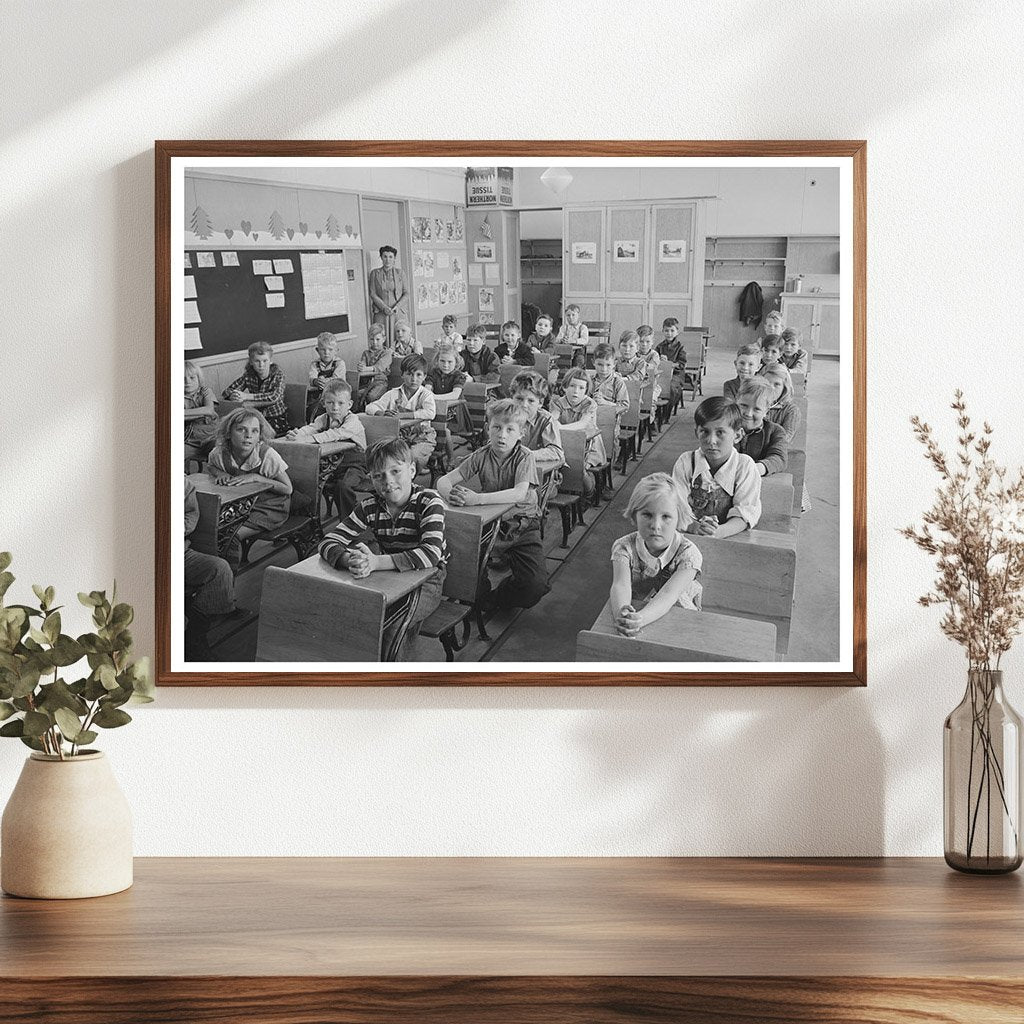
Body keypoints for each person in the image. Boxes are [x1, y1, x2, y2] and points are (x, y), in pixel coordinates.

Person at [318, 438, 447, 661]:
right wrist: (350, 560)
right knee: (351, 616)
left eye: (395, 471)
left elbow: (431, 554)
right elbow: (328, 541)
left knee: (391, 623)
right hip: (389, 577)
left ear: (412, 470)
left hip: (428, 582)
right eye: (378, 476)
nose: (388, 482)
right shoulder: (369, 507)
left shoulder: (428, 501)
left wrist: (376, 562)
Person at [437, 399, 549, 611]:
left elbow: (519, 493)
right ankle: (479, 601)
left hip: (523, 525)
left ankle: (498, 598)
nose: (502, 435)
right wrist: (452, 495)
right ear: (488, 428)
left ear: (521, 433)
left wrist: (476, 499)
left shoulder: (524, 456)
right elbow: (443, 481)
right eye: (497, 427)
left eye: (510, 429)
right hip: (491, 525)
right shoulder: (481, 455)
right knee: (466, 565)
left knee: (535, 586)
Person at [610, 473, 703, 637]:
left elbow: (669, 595)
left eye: (666, 516)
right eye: (647, 515)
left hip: (679, 619)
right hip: (638, 613)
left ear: (679, 518)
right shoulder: (624, 548)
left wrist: (640, 619)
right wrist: (623, 613)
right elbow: (620, 585)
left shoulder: (688, 555)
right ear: (634, 515)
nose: (655, 525)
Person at [207, 408, 293, 563]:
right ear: (228, 432)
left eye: (255, 431)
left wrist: (256, 477)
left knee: (229, 535)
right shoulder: (219, 453)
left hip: (269, 508)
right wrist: (220, 474)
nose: (248, 436)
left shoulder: (266, 455)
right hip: (238, 505)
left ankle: (228, 579)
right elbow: (211, 466)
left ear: (260, 435)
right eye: (241, 430)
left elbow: (287, 488)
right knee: (207, 528)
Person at [671, 396, 760, 537]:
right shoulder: (686, 462)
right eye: (705, 432)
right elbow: (676, 508)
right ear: (696, 433)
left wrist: (715, 533)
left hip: (729, 538)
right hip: (689, 535)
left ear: (737, 435)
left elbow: (745, 514)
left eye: (720, 433)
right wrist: (694, 527)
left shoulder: (744, 466)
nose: (711, 441)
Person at [286, 378, 367, 519]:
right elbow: (311, 428)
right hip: (333, 463)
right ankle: (307, 521)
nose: (335, 407)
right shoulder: (323, 418)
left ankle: (349, 522)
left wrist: (308, 439)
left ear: (349, 404)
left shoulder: (353, 421)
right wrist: (296, 434)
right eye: (330, 403)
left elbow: (336, 433)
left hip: (356, 464)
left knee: (343, 487)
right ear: (323, 403)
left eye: (340, 403)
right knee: (305, 480)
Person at [184, 475, 237, 658]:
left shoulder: (181, 482)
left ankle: (194, 636)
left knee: (219, 569)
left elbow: (190, 515)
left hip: (177, 552)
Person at [365, 354, 437, 473]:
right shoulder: (393, 393)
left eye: (418, 375)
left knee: (413, 456)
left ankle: (411, 479)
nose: (413, 379)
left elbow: (430, 413)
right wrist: (381, 413)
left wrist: (402, 415)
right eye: (409, 374)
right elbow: (370, 407)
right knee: (387, 457)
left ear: (424, 377)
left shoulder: (425, 394)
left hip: (423, 436)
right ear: (402, 374)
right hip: (399, 438)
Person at [550, 368, 605, 498]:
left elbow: (582, 424)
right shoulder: (558, 402)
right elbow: (553, 418)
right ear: (564, 387)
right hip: (566, 443)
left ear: (586, 391)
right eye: (572, 386)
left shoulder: (589, 404)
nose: (576, 391)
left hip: (589, 446)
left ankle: (590, 493)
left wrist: (559, 428)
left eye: (581, 388)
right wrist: (554, 423)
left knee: (579, 468)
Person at [221, 341, 288, 436]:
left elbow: (274, 397)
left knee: (258, 435)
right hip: (254, 417)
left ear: (270, 361)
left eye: (265, 361)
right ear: (251, 362)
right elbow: (226, 392)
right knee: (237, 433)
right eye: (257, 361)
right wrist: (234, 395)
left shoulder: (278, 375)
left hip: (275, 418)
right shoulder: (249, 375)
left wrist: (247, 396)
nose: (261, 365)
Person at [510, 371, 564, 468]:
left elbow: (556, 452)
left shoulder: (546, 420)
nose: (524, 405)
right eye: (519, 399)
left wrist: (526, 455)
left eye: (531, 401)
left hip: (539, 470)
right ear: (512, 397)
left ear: (540, 403)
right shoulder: (506, 416)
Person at [735, 377, 788, 476]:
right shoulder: (725, 426)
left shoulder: (775, 431)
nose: (748, 414)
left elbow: (779, 458)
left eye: (757, 409)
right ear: (736, 401)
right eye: (744, 405)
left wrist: (755, 468)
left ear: (766, 411)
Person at [426, 343, 473, 435]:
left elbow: (455, 395)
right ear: (437, 361)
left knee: (444, 430)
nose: (445, 365)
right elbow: (427, 390)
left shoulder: (458, 376)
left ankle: (446, 448)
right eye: (442, 361)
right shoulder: (433, 373)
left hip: (455, 413)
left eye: (450, 362)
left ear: (456, 362)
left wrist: (433, 397)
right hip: (437, 409)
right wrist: (429, 395)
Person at [368, 244, 408, 346]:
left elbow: (406, 293)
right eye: (385, 256)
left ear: (394, 258)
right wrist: (384, 307)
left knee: (399, 337)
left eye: (390, 257)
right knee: (380, 338)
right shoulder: (374, 273)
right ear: (381, 257)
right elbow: (372, 293)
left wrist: (397, 306)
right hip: (381, 312)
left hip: (397, 312)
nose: (387, 260)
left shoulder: (400, 273)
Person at [306, 332, 347, 422]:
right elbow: (311, 378)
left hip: (338, 395)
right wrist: (316, 381)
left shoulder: (339, 363)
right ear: (317, 350)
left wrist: (324, 381)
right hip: (320, 395)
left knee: (323, 409)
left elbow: (337, 379)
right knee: (310, 409)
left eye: (330, 350)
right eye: (322, 350)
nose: (326, 353)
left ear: (336, 350)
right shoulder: (315, 364)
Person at [184, 361, 217, 465]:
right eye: (182, 379)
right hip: (190, 441)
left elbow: (209, 410)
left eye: (192, 378)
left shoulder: (205, 391)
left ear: (199, 379)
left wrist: (185, 413)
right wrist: (203, 413)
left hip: (211, 437)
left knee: (220, 453)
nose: (187, 382)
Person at [355, 324, 394, 410]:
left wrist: (366, 369)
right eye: (372, 339)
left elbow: (379, 367)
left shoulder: (386, 353)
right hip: (366, 382)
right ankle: (361, 413)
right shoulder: (366, 353)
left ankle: (374, 412)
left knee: (372, 396)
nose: (375, 342)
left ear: (384, 339)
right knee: (356, 394)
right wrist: (361, 366)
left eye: (378, 339)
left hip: (380, 381)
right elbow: (363, 365)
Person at [760, 363, 800, 442]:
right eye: (767, 382)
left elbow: (784, 440)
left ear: (784, 388)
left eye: (777, 384)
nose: (771, 387)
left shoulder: (791, 410)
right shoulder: (752, 403)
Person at [656, 317, 687, 410]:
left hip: (676, 374)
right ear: (663, 331)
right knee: (654, 385)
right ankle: (656, 410)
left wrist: (669, 364)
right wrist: (659, 360)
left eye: (672, 330)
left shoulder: (681, 347)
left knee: (671, 387)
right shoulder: (660, 346)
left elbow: (682, 364)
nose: (669, 333)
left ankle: (667, 412)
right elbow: (654, 360)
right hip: (662, 373)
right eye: (666, 331)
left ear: (677, 332)